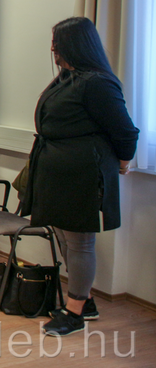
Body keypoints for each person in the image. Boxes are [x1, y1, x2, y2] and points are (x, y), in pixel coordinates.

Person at [29, 17, 138, 336]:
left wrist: (122, 163)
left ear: (76, 44)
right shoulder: (67, 78)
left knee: (79, 242)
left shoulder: (98, 82)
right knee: (64, 237)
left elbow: (125, 131)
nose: (53, 48)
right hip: (59, 170)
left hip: (83, 173)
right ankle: (84, 301)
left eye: (58, 42)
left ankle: (74, 313)